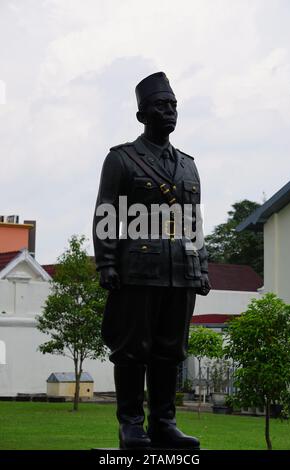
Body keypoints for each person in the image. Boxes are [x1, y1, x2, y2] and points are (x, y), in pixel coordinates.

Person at [92, 72, 211, 449]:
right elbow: (106, 213)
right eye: (161, 106)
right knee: (132, 349)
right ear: (142, 114)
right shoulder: (122, 159)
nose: (170, 112)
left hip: (181, 272)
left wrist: (202, 266)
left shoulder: (189, 166)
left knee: (170, 351)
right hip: (138, 269)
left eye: (174, 105)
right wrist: (107, 264)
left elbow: (194, 222)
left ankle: (164, 423)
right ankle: (130, 424)